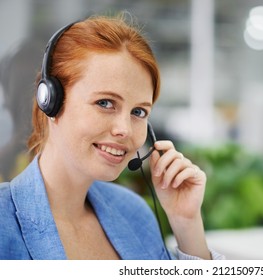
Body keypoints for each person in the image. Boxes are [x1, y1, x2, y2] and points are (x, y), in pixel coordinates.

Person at [0, 13, 224, 260]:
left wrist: (186, 222)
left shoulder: (133, 214)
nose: (125, 130)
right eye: (105, 102)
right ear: (50, 102)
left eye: (138, 112)